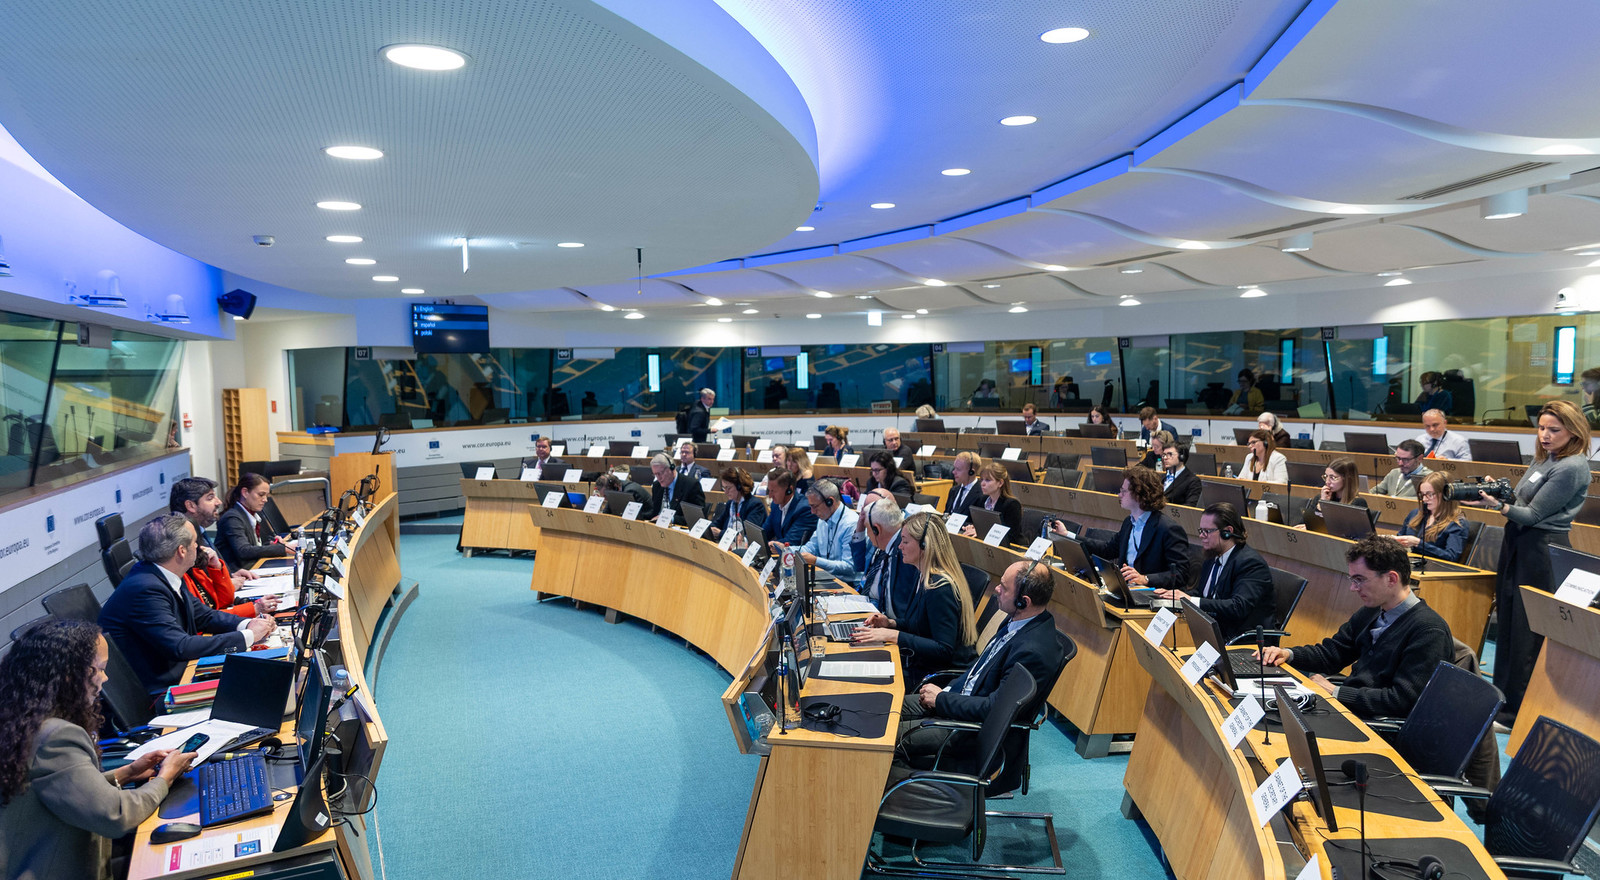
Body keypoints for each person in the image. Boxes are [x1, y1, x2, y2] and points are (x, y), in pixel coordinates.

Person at [0, 618, 197, 880]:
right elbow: (116, 816)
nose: (106, 677)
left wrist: (126, 773)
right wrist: (165, 778)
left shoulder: (22, 720)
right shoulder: (55, 736)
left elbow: (66, 789)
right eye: (101, 669)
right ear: (69, 674)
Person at [898, 560, 1064, 783]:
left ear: (1023, 602)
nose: (996, 589)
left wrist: (942, 700)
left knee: (886, 741)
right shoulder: (1017, 620)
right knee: (884, 708)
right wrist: (946, 691)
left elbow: (994, 710)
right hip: (956, 703)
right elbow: (979, 670)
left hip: (966, 730)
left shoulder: (1033, 651)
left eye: (1004, 587)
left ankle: (910, 796)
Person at [1256, 536, 1453, 719]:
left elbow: (1401, 701)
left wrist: (1335, 692)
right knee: (1265, 710)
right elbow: (1332, 654)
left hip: (1375, 725)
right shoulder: (1372, 611)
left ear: (1391, 579)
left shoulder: (1428, 631)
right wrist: (1288, 654)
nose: (1353, 588)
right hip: (1348, 709)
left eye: (1360, 579)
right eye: (1353, 580)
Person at [1481, 399, 1593, 720]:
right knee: (1507, 620)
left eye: (1553, 430)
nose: (1544, 435)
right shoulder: (1544, 459)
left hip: (1541, 548)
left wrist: (1498, 506)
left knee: (1526, 630)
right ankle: (1503, 700)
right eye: (1542, 428)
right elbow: (1519, 500)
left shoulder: (1572, 467)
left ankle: (1518, 710)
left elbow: (1532, 514)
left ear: (1573, 431)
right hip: (1516, 541)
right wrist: (1498, 495)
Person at [99, 515, 275, 694]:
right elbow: (181, 647)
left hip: (182, 672)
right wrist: (248, 636)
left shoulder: (165, 572)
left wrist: (247, 624)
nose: (198, 546)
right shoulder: (145, 589)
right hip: (162, 690)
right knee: (260, 685)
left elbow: (204, 616)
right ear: (181, 551)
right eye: (194, 542)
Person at [853, 512, 978, 688]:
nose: (899, 547)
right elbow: (919, 624)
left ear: (924, 545)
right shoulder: (923, 576)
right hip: (921, 666)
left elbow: (944, 649)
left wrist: (894, 635)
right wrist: (890, 623)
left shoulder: (940, 587)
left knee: (864, 679)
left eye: (905, 542)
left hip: (938, 678)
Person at [1153, 503, 1273, 644]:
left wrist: (1190, 600)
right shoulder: (1212, 556)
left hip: (1241, 639)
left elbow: (1238, 607)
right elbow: (1203, 594)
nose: (1201, 536)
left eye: (1207, 531)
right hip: (1213, 632)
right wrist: (1174, 596)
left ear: (1227, 531)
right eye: (1201, 530)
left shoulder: (1250, 563)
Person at [1059, 466, 1191, 590]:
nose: (1119, 495)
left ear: (1139, 494)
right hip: (1128, 591)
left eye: (1123, 491)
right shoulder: (1129, 522)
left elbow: (1181, 574)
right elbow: (1107, 550)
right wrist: (1067, 535)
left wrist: (1145, 579)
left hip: (1152, 596)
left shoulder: (1168, 529)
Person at [169, 476, 274, 619]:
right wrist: (252, 608)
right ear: (191, 506)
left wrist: (230, 575)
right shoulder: (183, 547)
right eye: (210, 498)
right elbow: (205, 608)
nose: (218, 502)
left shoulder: (200, 533)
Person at [770, 480, 857, 581]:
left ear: (830, 502)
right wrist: (786, 550)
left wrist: (816, 561)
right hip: (826, 577)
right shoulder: (823, 519)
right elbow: (811, 548)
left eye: (814, 506)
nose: (812, 512)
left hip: (847, 583)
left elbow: (850, 567)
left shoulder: (851, 524)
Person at [853, 497, 920, 619]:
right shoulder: (885, 543)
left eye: (867, 528)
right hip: (872, 608)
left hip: (892, 622)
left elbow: (903, 609)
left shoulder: (904, 551)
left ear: (877, 529)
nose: (867, 534)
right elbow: (858, 565)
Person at [215, 472, 298, 571]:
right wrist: (283, 548)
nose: (265, 500)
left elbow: (253, 546)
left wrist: (271, 545)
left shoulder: (250, 514)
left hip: (252, 567)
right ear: (245, 492)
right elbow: (244, 550)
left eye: (266, 495)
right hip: (239, 572)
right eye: (261, 495)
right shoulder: (232, 518)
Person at [1394, 473, 1469, 562]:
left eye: (1429, 494)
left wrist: (1418, 543)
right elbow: (1400, 538)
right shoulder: (1415, 514)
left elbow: (1451, 557)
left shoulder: (1457, 523)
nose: (1424, 499)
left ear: (1446, 494)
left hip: (1435, 568)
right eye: (1422, 495)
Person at [959, 462, 1023, 547]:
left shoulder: (1012, 505)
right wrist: (972, 527)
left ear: (1000, 483)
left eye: (988, 480)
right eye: (982, 480)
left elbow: (1010, 537)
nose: (982, 484)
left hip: (1009, 549)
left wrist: (981, 532)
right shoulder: (982, 500)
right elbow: (981, 524)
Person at [1295, 457, 1367, 529]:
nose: (1327, 482)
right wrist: (1322, 503)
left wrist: (1313, 527)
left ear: (1347, 479)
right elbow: (1304, 523)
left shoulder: (1357, 503)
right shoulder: (1320, 498)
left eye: (1333, 478)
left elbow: (1342, 530)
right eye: (1326, 476)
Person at [707, 467, 766, 541]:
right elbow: (718, 522)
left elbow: (746, 533)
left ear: (739, 486)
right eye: (724, 488)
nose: (725, 492)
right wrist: (709, 529)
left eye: (728, 488)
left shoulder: (755, 505)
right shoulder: (730, 503)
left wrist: (720, 533)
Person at [762, 469, 817, 546]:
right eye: (769, 490)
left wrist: (768, 545)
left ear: (789, 490)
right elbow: (764, 533)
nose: (770, 496)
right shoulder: (775, 505)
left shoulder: (805, 509)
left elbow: (791, 542)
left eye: (773, 491)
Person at [648, 453, 705, 525]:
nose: (658, 478)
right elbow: (654, 512)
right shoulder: (657, 486)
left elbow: (697, 518)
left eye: (660, 473)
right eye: (655, 474)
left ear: (672, 468)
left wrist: (671, 519)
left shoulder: (691, 485)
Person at [1159, 441, 1203, 507]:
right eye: (1164, 454)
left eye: (1170, 454)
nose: (1165, 458)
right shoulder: (1160, 478)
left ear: (1181, 457)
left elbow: (1190, 506)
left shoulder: (1193, 481)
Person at [943, 451, 982, 519]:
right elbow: (946, 513)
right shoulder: (953, 490)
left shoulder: (982, 494)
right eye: (954, 468)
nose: (953, 472)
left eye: (958, 469)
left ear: (971, 472)